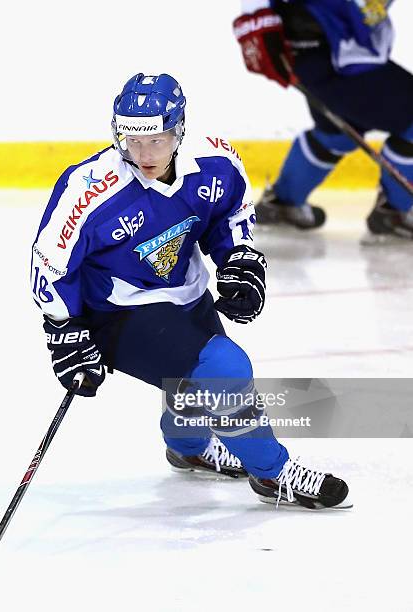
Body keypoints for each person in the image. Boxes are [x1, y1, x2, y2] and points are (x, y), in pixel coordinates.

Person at [31, 72, 350, 509]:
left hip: (186, 290)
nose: (142, 154)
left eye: (156, 141)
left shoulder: (215, 162)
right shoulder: (88, 189)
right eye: (131, 141)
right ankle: (274, 474)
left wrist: (237, 257)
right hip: (118, 310)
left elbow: (229, 215)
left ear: (178, 129)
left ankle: (190, 446)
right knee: (225, 368)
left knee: (192, 382)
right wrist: (64, 330)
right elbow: (49, 263)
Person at [233, 0, 413, 238]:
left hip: (335, 50)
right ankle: (394, 212)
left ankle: (284, 203)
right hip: (331, 52)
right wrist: (256, 16)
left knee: (337, 134)